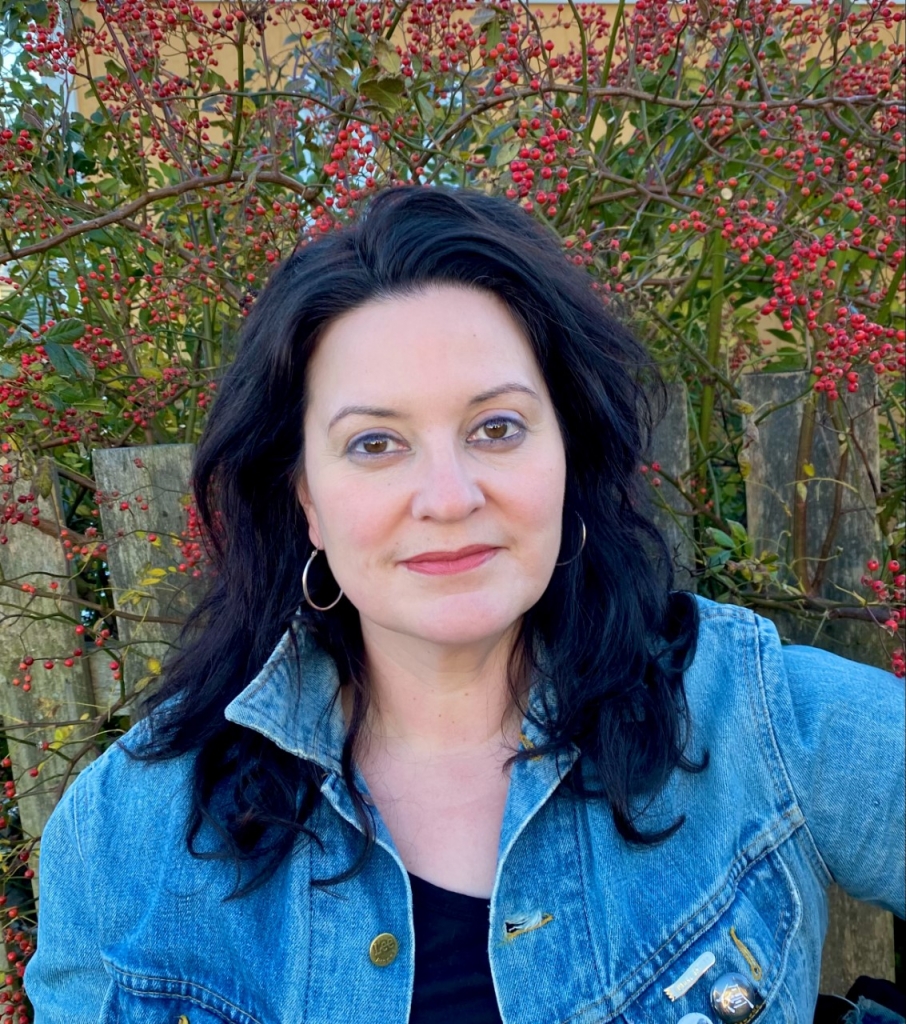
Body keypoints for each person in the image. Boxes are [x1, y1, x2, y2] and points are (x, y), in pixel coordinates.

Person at [24, 185, 904, 1024]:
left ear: (568, 453)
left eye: (497, 427)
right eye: (375, 443)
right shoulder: (128, 833)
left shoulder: (753, 718)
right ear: (306, 502)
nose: (447, 496)